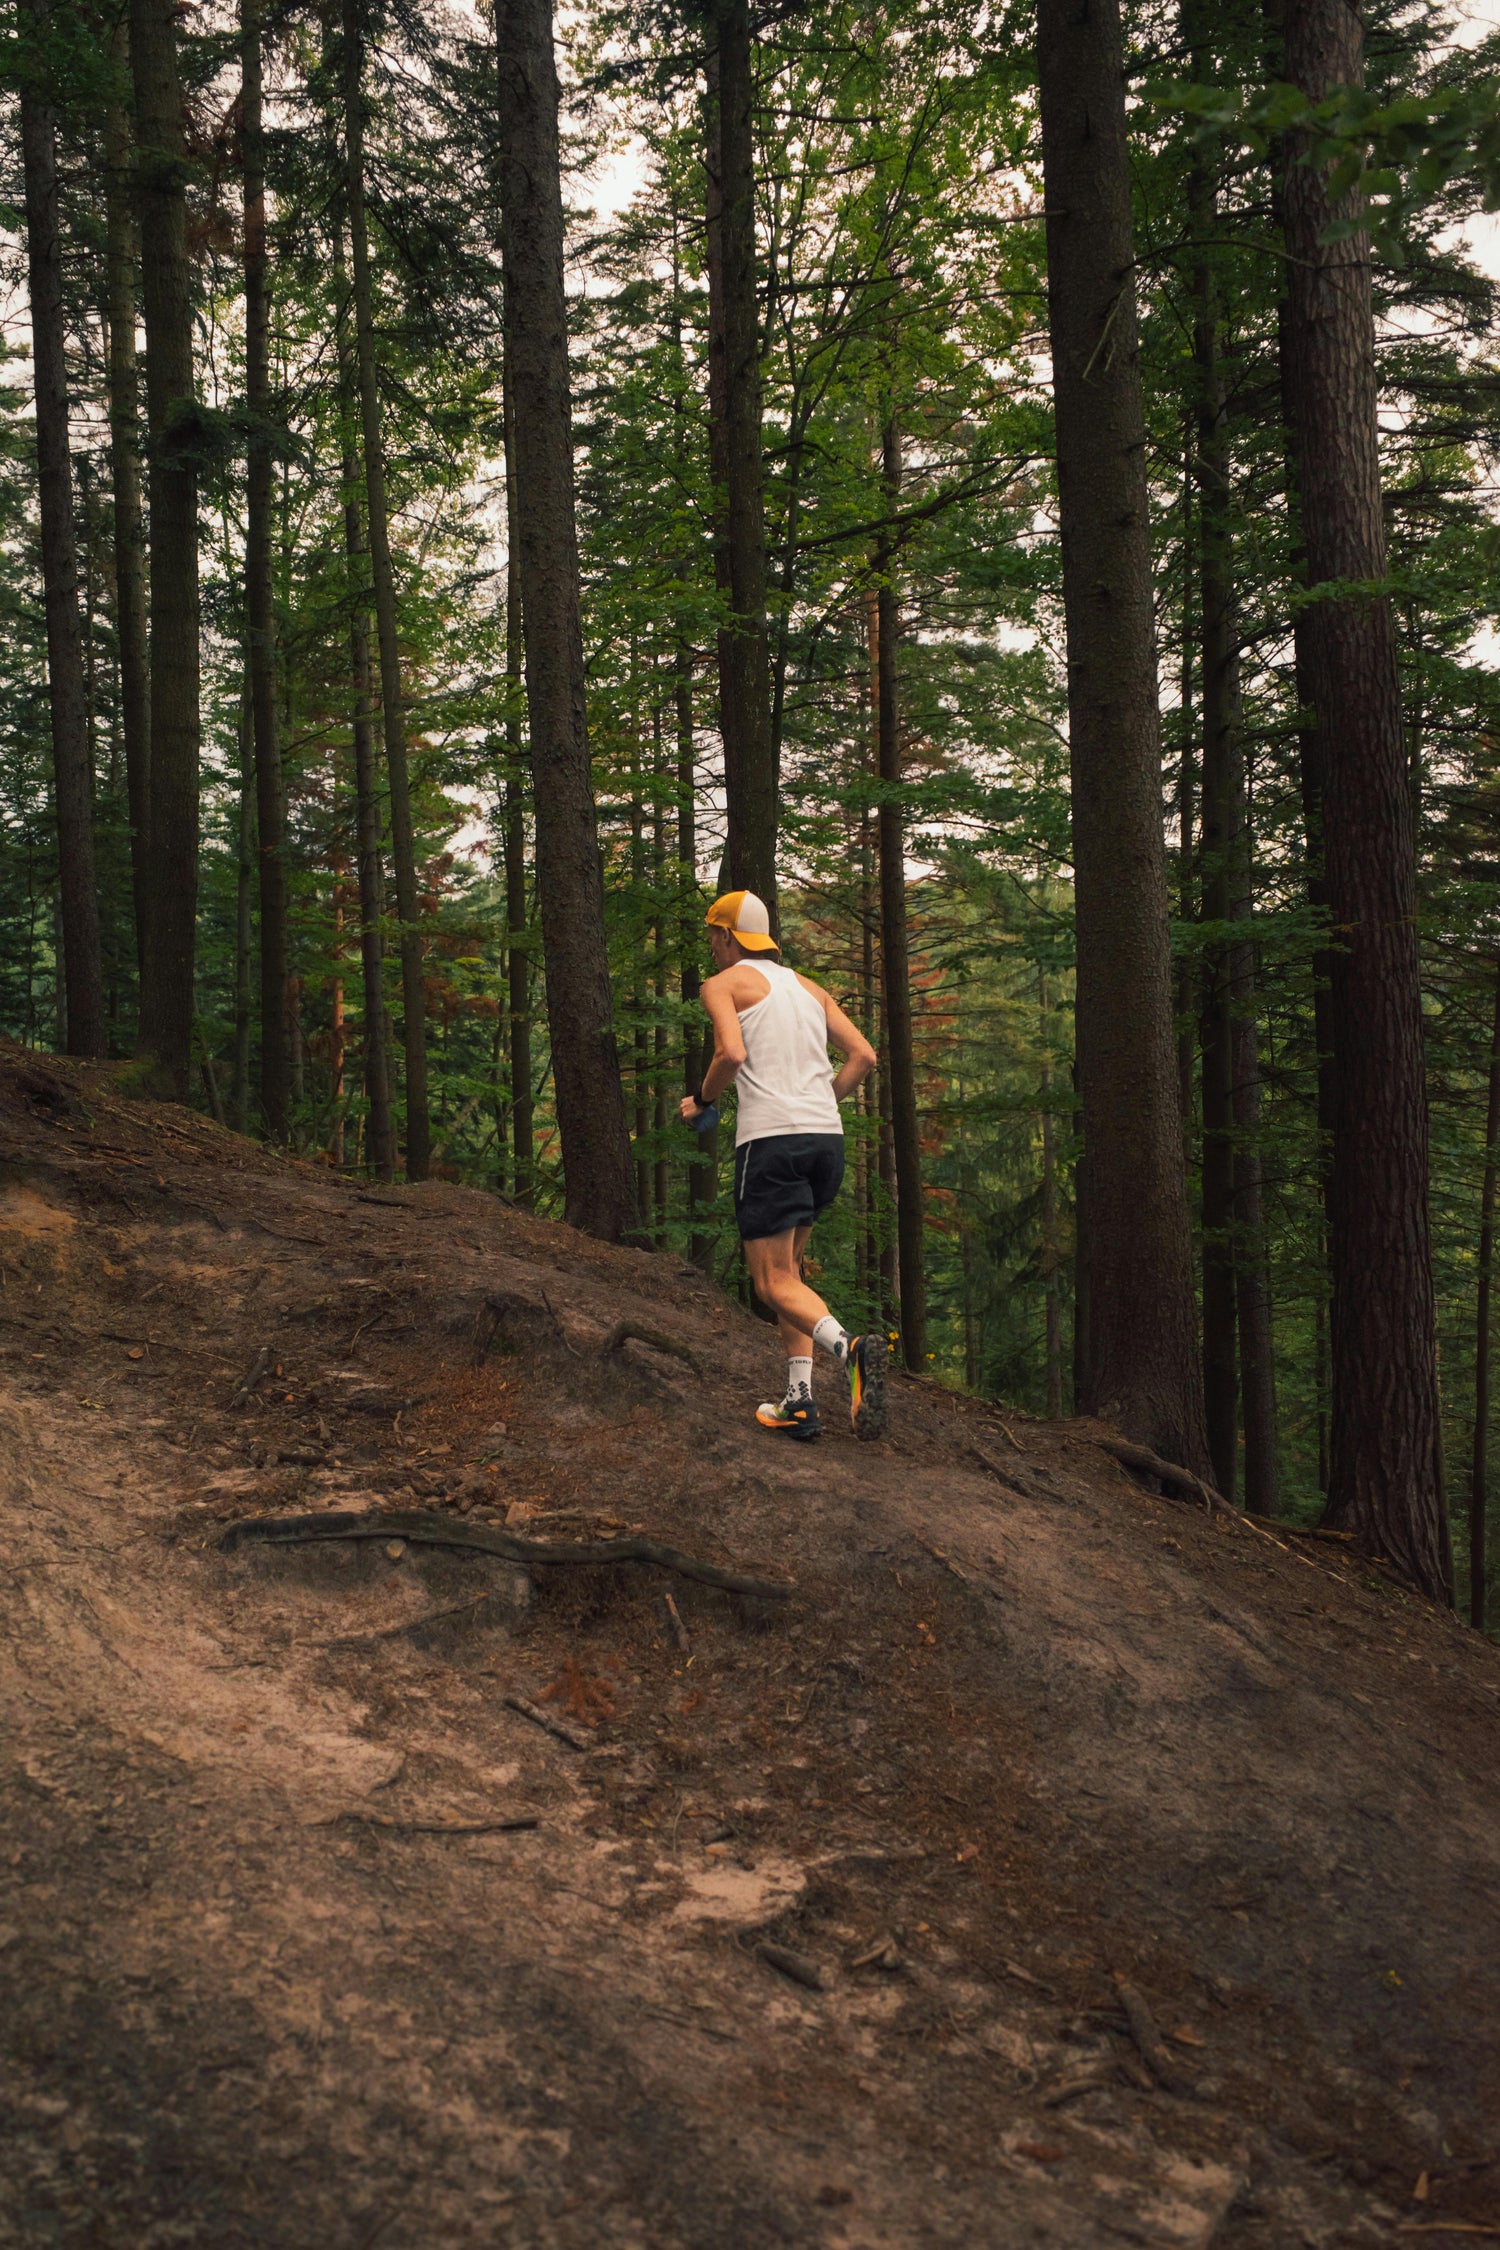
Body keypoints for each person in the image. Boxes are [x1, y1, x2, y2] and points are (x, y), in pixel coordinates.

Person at [679, 888, 887, 1441]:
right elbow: (864, 1055)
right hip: (827, 1143)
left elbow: (731, 1054)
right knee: (791, 1276)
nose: (712, 948)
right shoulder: (809, 989)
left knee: (771, 1282)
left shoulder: (721, 984)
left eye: (712, 938)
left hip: (772, 1145)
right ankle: (799, 1402)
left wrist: (702, 1102)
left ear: (725, 936)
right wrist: (820, 1103)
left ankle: (851, 1351)